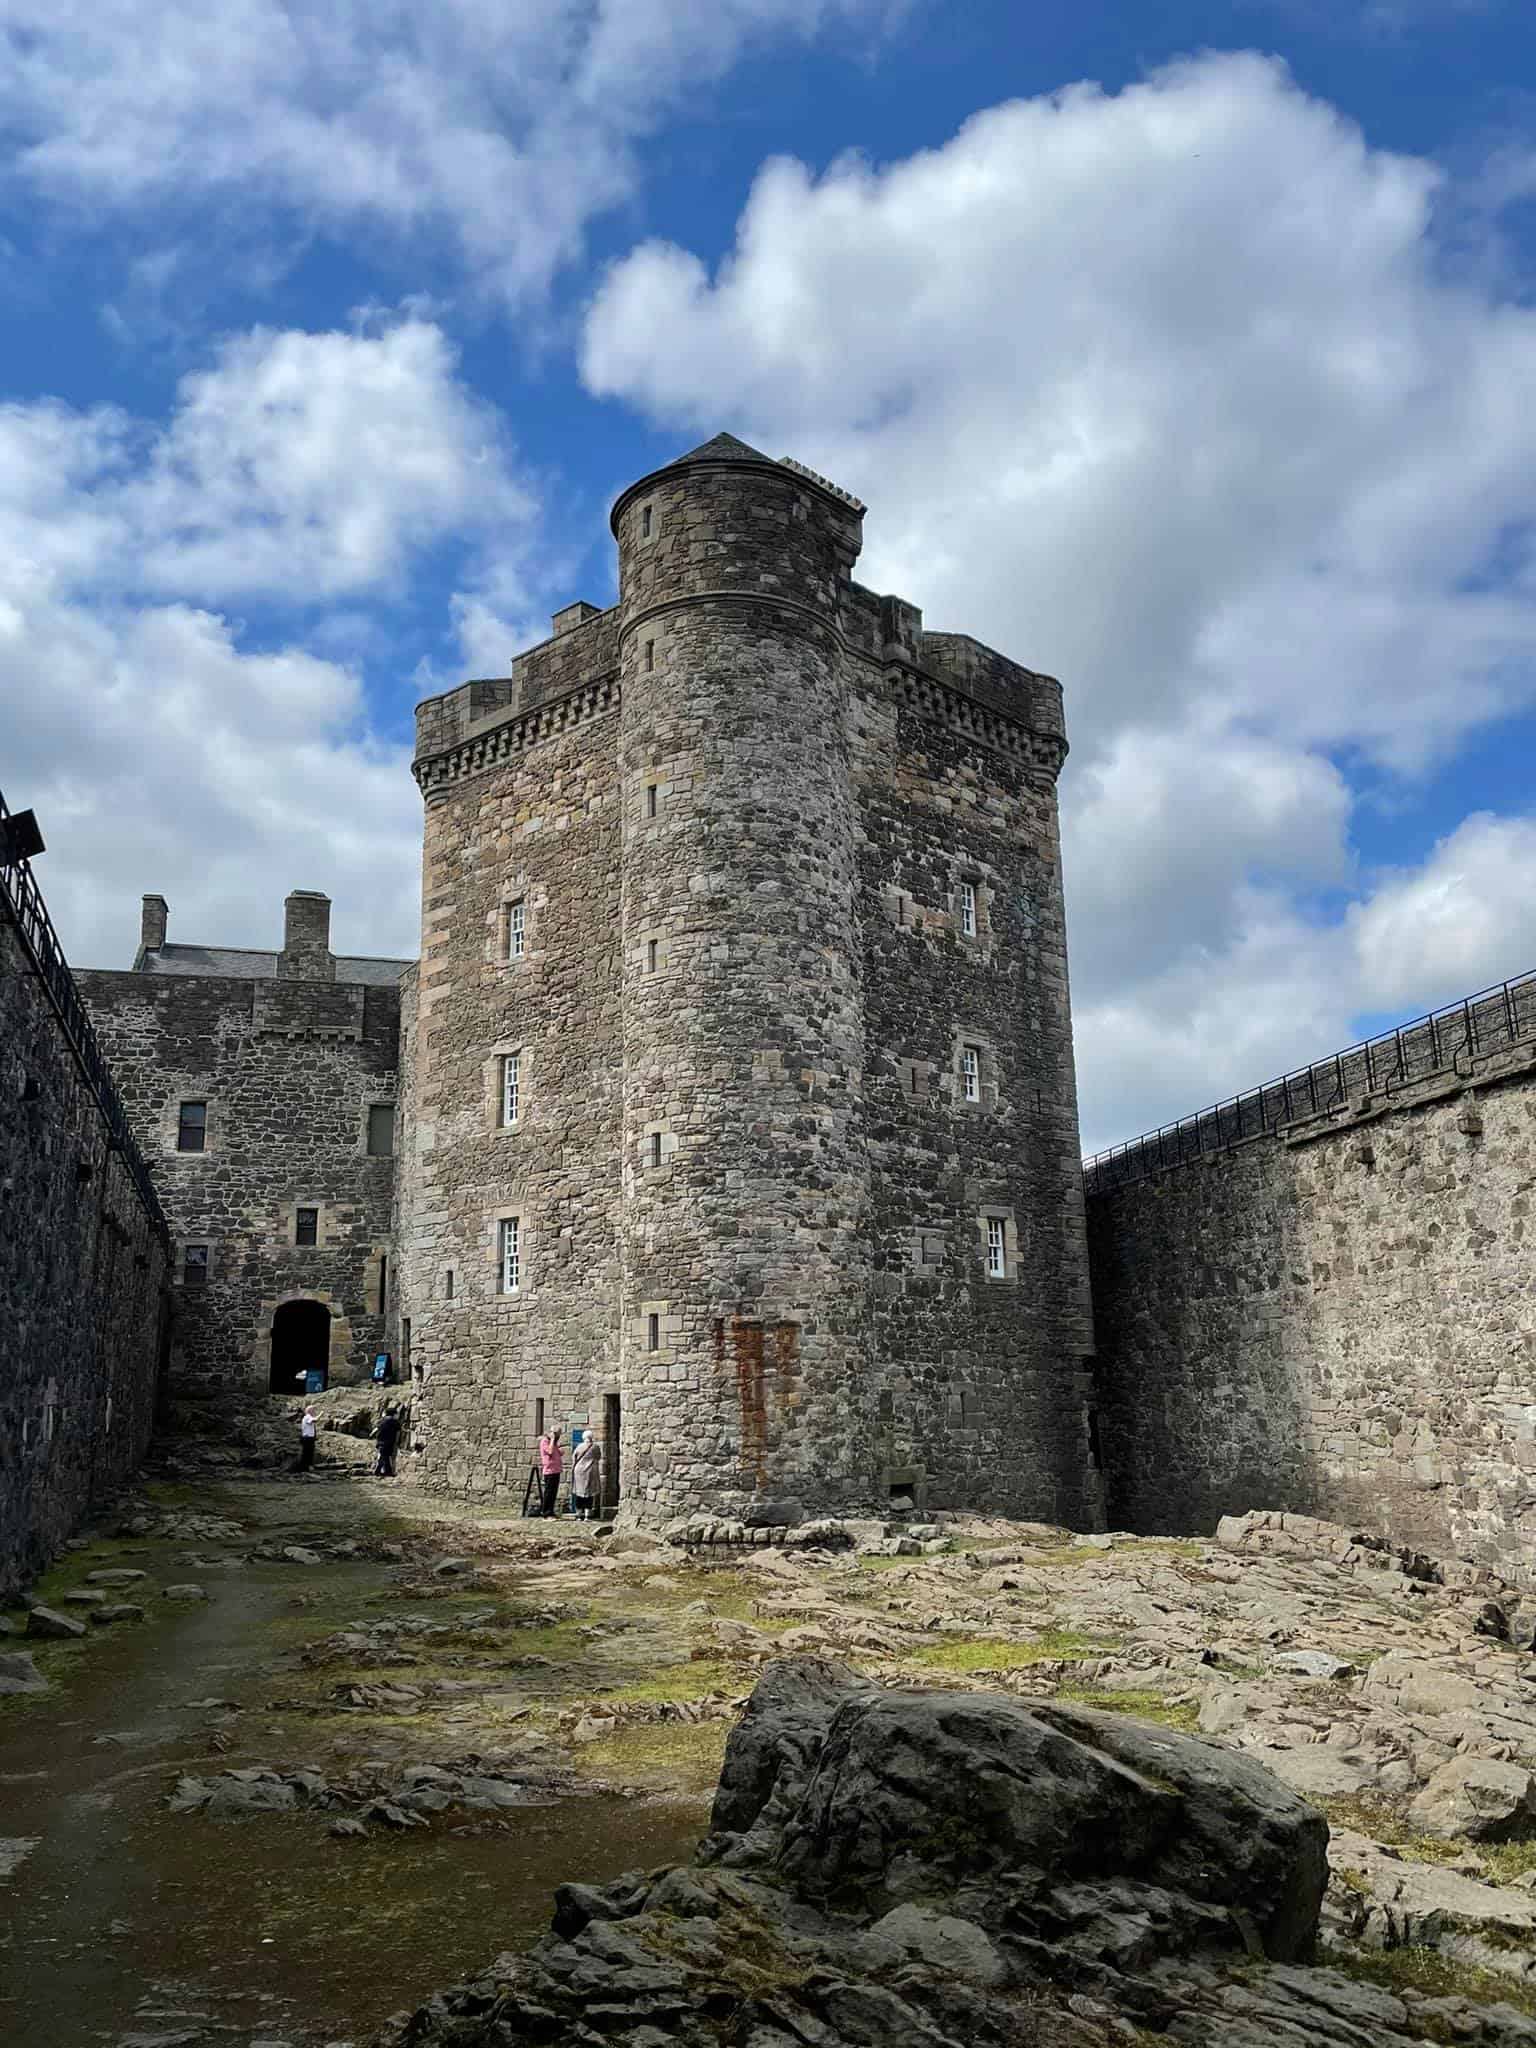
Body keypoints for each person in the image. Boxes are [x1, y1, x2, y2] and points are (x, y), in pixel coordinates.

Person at [571, 1432, 602, 1521]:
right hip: (590, 1471)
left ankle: (579, 1515)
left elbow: (574, 1457)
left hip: (579, 1472)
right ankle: (587, 1515)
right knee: (589, 1493)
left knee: (579, 1493)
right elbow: (598, 1457)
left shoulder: (579, 1446)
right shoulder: (595, 1447)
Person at [537, 1427, 563, 1517]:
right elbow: (550, 1451)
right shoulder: (545, 1441)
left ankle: (551, 1511)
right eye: (557, 1434)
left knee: (553, 1493)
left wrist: (557, 1446)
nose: (558, 1436)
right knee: (548, 1493)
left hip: (556, 1470)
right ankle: (545, 1512)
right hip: (549, 1470)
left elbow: (559, 1452)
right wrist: (552, 1440)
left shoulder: (553, 1443)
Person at [375, 1401, 401, 1478]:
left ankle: (380, 1470)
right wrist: (398, 1442)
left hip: (380, 1442)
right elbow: (398, 1433)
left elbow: (376, 1430)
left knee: (382, 1456)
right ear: (394, 1414)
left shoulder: (381, 1421)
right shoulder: (395, 1422)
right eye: (396, 1414)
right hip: (390, 1442)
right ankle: (387, 1472)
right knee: (388, 1457)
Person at [297, 1405, 318, 1473]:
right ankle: (304, 1468)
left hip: (309, 1438)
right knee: (307, 1453)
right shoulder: (308, 1417)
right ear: (310, 1411)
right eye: (313, 1410)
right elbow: (315, 1420)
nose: (314, 1411)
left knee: (308, 1453)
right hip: (307, 1438)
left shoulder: (307, 1417)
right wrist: (321, 1414)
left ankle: (306, 1468)